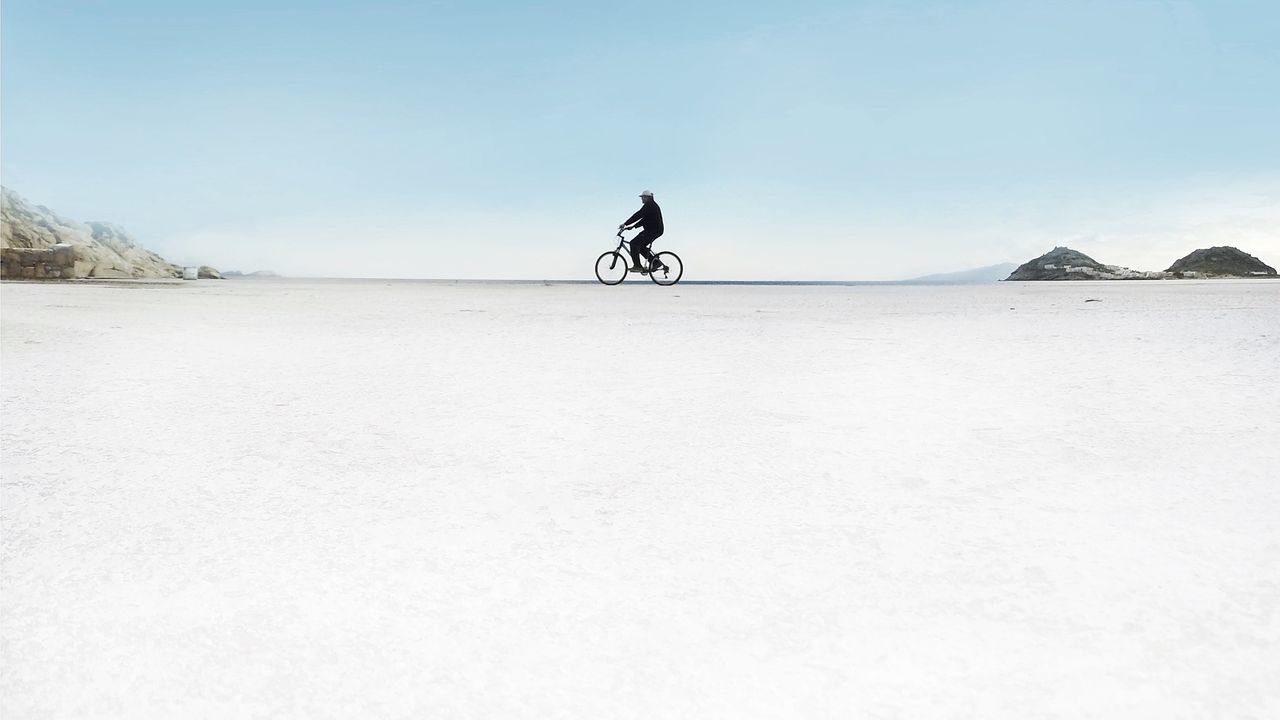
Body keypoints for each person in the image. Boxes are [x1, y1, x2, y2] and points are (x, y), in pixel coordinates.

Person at [619, 190, 664, 273]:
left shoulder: (649, 205)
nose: (641, 199)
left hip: (653, 231)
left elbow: (638, 215)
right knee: (640, 246)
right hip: (654, 230)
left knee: (634, 243)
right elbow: (644, 219)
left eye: (642, 197)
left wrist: (625, 223)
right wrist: (632, 226)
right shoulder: (650, 205)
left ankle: (637, 266)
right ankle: (656, 262)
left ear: (647, 197)